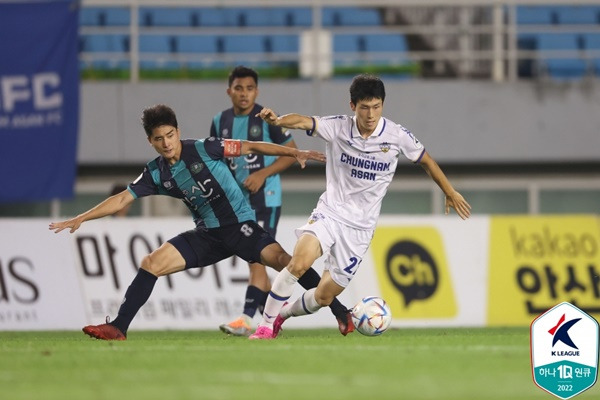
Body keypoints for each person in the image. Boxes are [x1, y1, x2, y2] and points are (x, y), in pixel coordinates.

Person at [48, 104, 350, 341]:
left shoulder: (205, 148)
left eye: (170, 135)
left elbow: (252, 146)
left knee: (286, 260)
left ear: (177, 132)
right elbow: (123, 199)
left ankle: (340, 311)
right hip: (207, 235)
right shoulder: (156, 173)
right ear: (150, 141)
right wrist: (82, 217)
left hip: (240, 227)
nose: (166, 143)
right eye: (158, 139)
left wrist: (293, 151)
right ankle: (119, 327)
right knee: (151, 262)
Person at [249, 74, 472, 339]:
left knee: (323, 295)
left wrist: (450, 192)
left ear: (383, 105)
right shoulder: (339, 127)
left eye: (376, 107)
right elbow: (303, 120)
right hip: (330, 213)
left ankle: (282, 316)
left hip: (360, 229)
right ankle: (265, 325)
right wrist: (278, 120)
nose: (370, 114)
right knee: (299, 262)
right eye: (365, 107)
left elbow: (426, 160)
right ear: (352, 105)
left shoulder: (397, 136)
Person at [209, 66, 353, 336]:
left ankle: (247, 318)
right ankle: (323, 310)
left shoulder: (265, 118)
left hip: (266, 198)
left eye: (249, 88)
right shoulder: (220, 121)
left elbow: (291, 153)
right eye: (238, 88)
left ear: (257, 91)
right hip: (238, 202)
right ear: (229, 91)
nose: (244, 94)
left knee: (256, 258)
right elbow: (218, 159)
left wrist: (262, 174)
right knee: (271, 260)